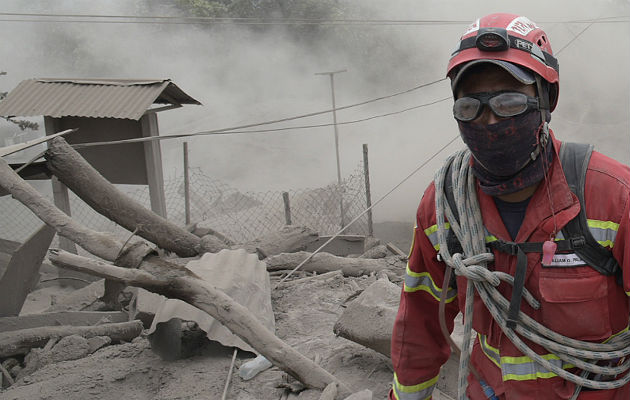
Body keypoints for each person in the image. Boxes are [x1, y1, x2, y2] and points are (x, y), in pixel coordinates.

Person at [389, 13, 630, 400]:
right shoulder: (444, 206)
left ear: (545, 99)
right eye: (470, 107)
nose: (489, 120)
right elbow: (419, 325)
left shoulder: (614, 197)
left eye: (509, 102)